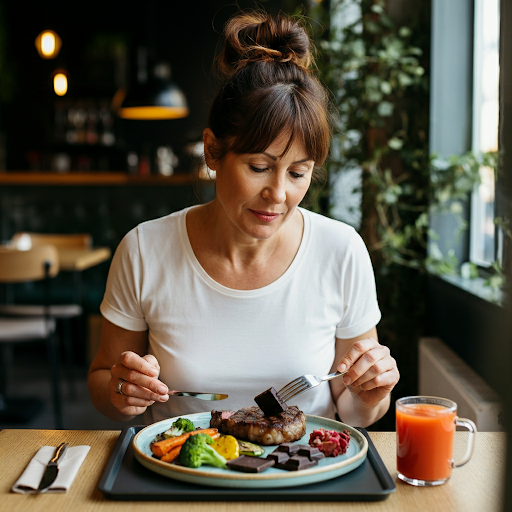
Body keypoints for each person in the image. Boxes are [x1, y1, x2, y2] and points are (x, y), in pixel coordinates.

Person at [88, 10, 399, 428]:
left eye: (297, 173)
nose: (278, 193)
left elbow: (354, 411)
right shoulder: (145, 249)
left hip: (306, 477)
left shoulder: (340, 250)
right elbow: (103, 380)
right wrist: (121, 389)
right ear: (213, 151)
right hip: (178, 476)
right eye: (258, 167)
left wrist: (373, 393)